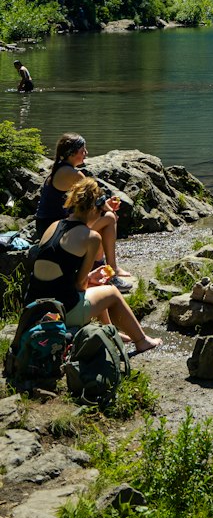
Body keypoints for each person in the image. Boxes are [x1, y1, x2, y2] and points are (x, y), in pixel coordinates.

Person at [24, 176, 160, 353]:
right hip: (61, 311)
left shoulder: (54, 226)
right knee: (111, 292)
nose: (101, 215)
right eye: (101, 211)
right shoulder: (91, 237)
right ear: (93, 209)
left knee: (97, 287)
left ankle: (112, 332)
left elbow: (59, 274)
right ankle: (142, 341)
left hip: (33, 308)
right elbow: (80, 285)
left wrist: (90, 278)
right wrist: (90, 279)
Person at [35, 133, 133, 288]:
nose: (86, 153)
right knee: (109, 218)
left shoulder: (59, 170)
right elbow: (98, 198)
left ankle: (103, 268)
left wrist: (102, 204)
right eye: (83, 150)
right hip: (57, 231)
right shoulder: (72, 173)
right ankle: (109, 270)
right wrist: (108, 207)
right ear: (72, 153)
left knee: (101, 220)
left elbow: (84, 204)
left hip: (49, 228)